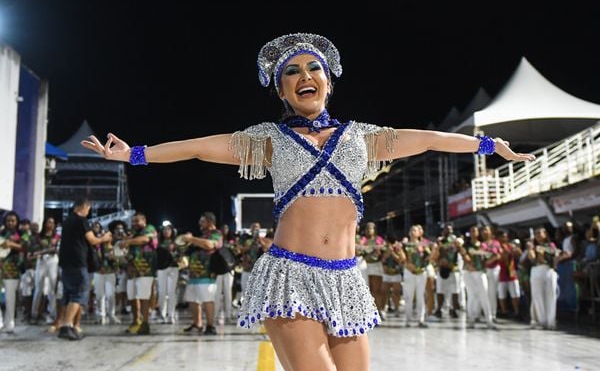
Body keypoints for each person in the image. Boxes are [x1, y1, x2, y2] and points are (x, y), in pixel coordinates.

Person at [81, 32, 535, 369]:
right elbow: (200, 145)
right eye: (292, 72)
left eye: (313, 68)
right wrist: (135, 154)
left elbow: (430, 140)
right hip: (290, 276)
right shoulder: (269, 140)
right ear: (281, 90)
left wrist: (488, 145)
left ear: (328, 82)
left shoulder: (363, 138)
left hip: (346, 280)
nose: (304, 76)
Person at [57, 197, 112, 340]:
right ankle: (67, 326)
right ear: (83, 207)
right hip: (78, 263)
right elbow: (93, 240)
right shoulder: (81, 221)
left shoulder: (67, 221)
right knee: (78, 294)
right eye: (88, 209)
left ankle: (66, 325)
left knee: (68, 295)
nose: (88, 212)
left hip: (66, 263)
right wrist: (104, 238)